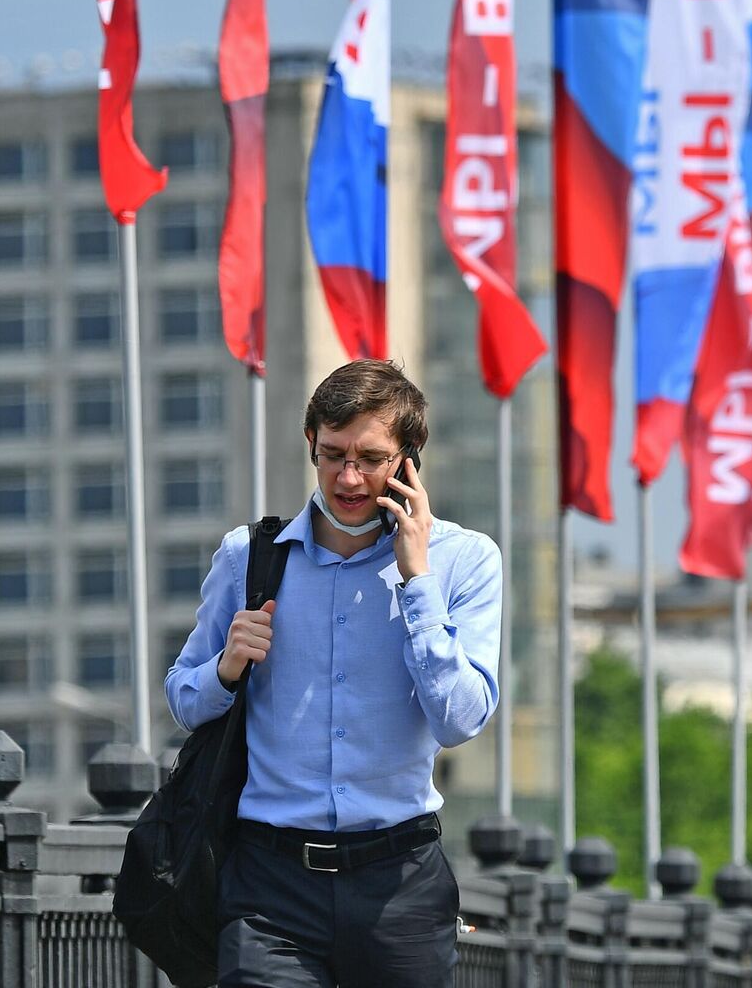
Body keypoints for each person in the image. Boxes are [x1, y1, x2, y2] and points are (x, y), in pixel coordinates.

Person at [165, 359, 503, 988]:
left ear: (409, 460)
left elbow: (460, 720)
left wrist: (418, 583)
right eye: (332, 455)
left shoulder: (465, 560)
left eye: (370, 458)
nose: (348, 477)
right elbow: (184, 698)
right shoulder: (249, 556)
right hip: (269, 884)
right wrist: (226, 667)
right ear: (310, 446)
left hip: (399, 883)